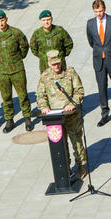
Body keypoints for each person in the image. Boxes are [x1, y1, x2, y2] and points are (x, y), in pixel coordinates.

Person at [37, 50, 87, 180]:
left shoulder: (70, 72)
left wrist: (73, 103)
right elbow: (40, 95)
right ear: (48, 64)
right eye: (53, 64)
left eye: (58, 63)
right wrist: (44, 107)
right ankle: (66, 167)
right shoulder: (45, 77)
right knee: (60, 143)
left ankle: (81, 166)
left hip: (71, 115)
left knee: (76, 141)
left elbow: (79, 90)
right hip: (54, 118)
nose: (56, 66)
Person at [0, 10, 33, 133]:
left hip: (17, 69)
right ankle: (9, 120)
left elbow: (24, 46)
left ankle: (27, 118)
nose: (1, 23)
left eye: (3, 20)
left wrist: (19, 58)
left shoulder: (16, 33)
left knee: (22, 95)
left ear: (6, 19)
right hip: (2, 71)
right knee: (6, 97)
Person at [86, 0, 111, 126]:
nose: (99, 14)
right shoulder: (90, 24)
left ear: (104, 9)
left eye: (101, 11)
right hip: (99, 61)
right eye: (96, 11)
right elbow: (91, 42)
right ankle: (105, 114)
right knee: (102, 88)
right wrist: (100, 51)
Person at [30, 10, 74, 74]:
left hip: (59, 65)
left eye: (48, 19)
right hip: (45, 65)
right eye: (43, 20)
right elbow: (33, 49)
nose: (46, 22)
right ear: (40, 21)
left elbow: (69, 44)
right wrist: (43, 57)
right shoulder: (37, 33)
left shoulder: (59, 30)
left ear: (52, 19)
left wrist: (61, 55)